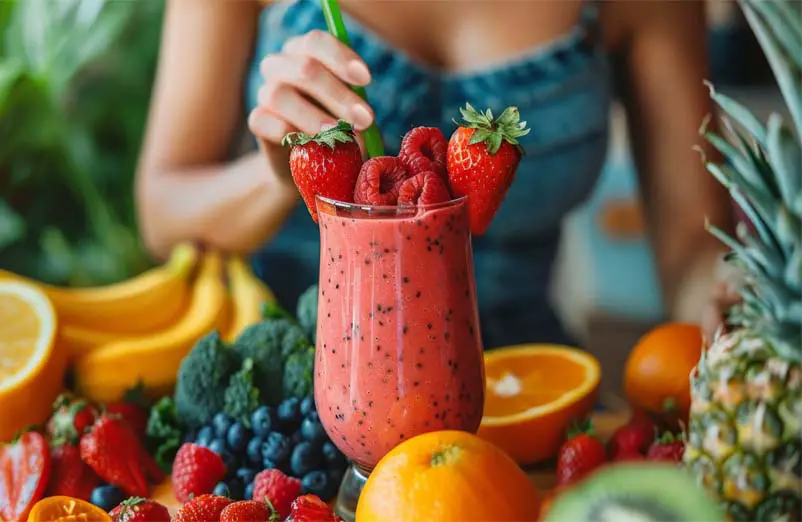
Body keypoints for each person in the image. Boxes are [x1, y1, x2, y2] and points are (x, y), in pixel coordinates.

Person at [135, 0, 736, 349]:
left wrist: (728, 293)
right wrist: (278, 176)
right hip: (297, 383)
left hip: (520, 393)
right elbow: (161, 212)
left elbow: (692, 254)